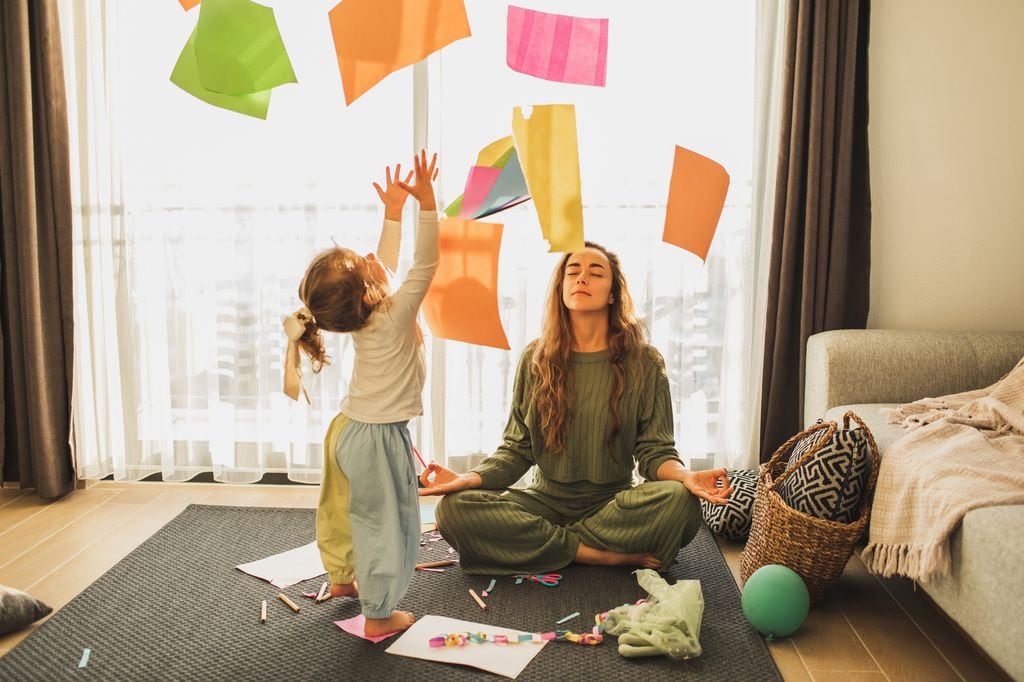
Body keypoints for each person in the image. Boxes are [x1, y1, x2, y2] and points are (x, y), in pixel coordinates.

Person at [418, 241, 733, 575]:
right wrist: (469, 479)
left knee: (681, 504)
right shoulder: (535, 358)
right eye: (573, 271)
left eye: (596, 272)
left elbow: (655, 452)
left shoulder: (645, 363)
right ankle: (593, 553)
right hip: (545, 502)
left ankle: (539, 546)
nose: (582, 278)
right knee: (454, 510)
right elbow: (517, 449)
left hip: (613, 506)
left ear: (613, 294)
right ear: (561, 289)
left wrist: (686, 476)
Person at [283, 150, 439, 636]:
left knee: (342, 510)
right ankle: (378, 616)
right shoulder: (396, 312)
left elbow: (385, 263)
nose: (374, 259)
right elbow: (425, 261)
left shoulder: (369, 311)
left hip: (346, 431)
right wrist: (427, 203)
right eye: (365, 266)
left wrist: (393, 212)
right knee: (384, 525)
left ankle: (344, 580)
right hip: (376, 439)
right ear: (371, 293)